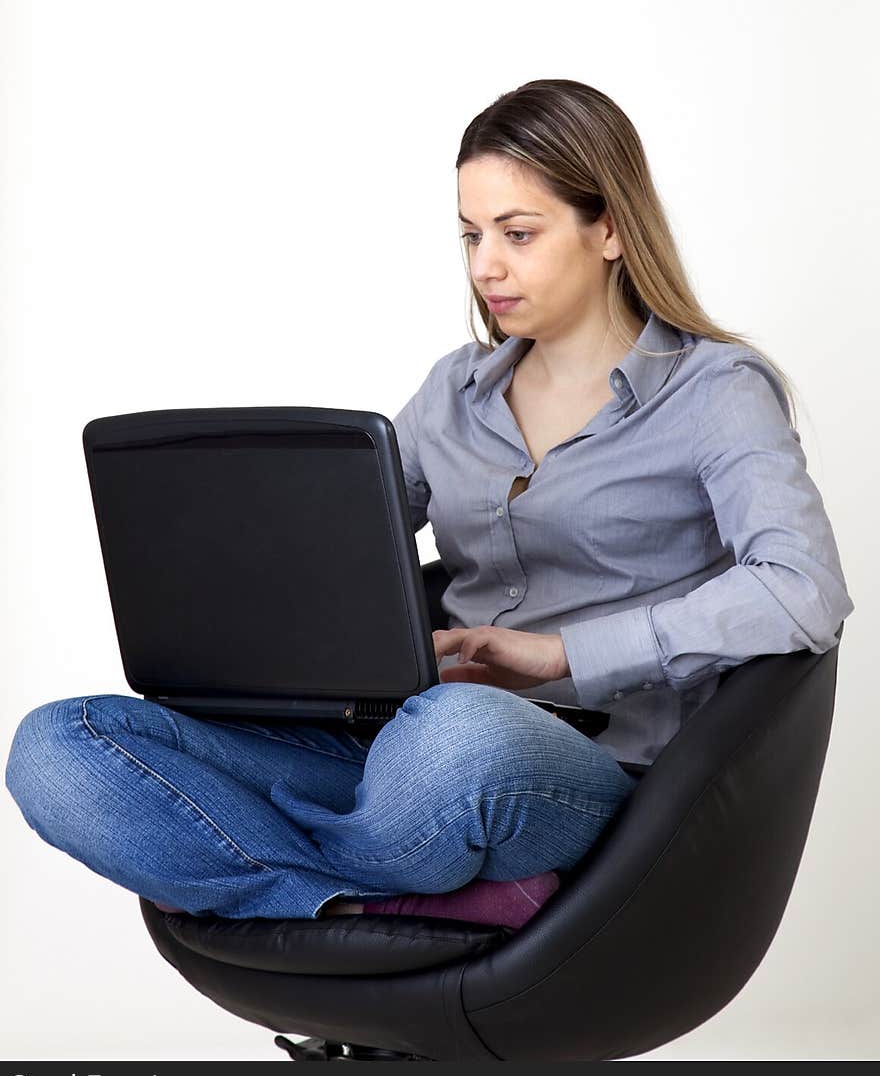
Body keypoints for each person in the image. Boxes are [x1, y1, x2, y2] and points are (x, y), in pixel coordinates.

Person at [4, 79, 854, 930]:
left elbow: (802, 588)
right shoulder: (456, 390)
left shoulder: (716, 390)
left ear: (610, 228)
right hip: (395, 758)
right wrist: (241, 611)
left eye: (518, 234)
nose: (486, 265)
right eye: (472, 234)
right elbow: (339, 554)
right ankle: (366, 897)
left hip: (562, 767)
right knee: (57, 747)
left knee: (459, 733)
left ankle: (254, 859)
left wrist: (557, 654)